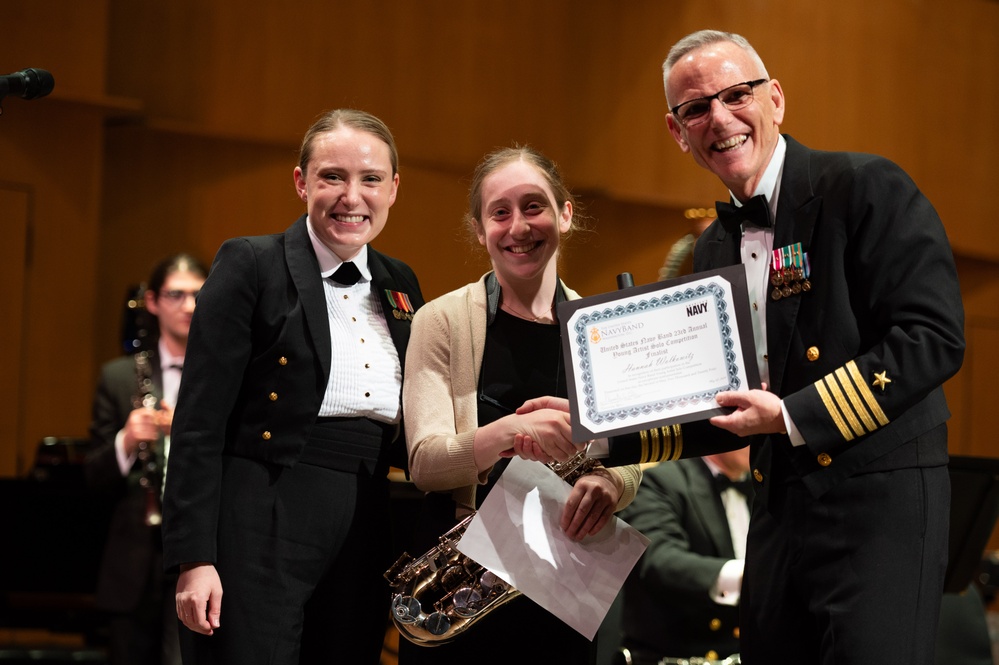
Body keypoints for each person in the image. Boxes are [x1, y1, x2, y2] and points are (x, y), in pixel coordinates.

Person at [657, 29, 966, 663]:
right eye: (695, 108)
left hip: (878, 501)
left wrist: (793, 415)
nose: (719, 118)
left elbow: (933, 338)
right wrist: (596, 422)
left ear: (775, 98)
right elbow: (714, 401)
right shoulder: (712, 246)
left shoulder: (863, 186)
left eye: (735, 94)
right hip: (777, 509)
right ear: (677, 130)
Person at [160, 109, 425, 665]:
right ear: (301, 182)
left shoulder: (401, 283)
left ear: (394, 189)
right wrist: (194, 559)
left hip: (365, 521)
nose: (352, 196)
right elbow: (199, 423)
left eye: (371, 179)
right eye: (332, 176)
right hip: (262, 517)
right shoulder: (252, 264)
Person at [398, 146, 643, 665]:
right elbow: (424, 464)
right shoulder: (440, 321)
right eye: (500, 212)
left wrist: (609, 483)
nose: (519, 227)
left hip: (564, 576)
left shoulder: (600, 329)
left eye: (534, 207)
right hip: (461, 586)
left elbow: (629, 456)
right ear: (479, 227)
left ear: (565, 214)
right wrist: (511, 429)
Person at [85, 252, 208, 665]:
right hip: (133, 559)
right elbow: (92, 477)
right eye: (176, 295)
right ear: (153, 301)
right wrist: (126, 440)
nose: (189, 306)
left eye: (197, 295)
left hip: (199, 554)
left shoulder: (224, 376)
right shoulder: (118, 377)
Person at [613, 448, 751, 664]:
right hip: (674, 656)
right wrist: (748, 576)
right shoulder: (660, 481)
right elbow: (658, 559)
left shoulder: (765, 485)